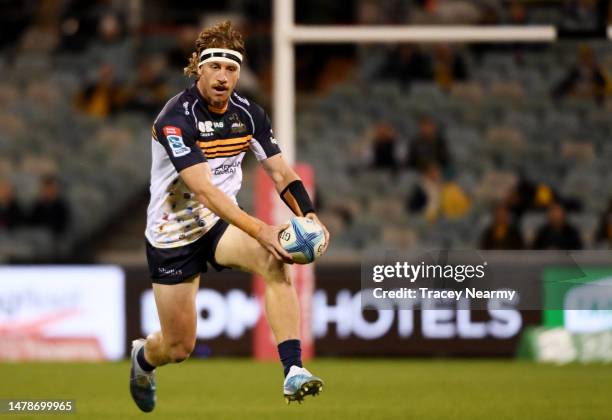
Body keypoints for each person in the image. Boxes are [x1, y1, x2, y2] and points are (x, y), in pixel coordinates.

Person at [130, 21, 330, 413]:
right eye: (215, 67)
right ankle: (142, 360)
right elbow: (203, 189)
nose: (223, 76)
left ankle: (293, 371)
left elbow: (282, 174)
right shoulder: (176, 119)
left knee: (276, 260)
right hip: (172, 237)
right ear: (198, 69)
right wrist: (263, 229)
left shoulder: (249, 114)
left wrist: (309, 216)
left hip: (218, 226)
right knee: (178, 347)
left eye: (231, 68)